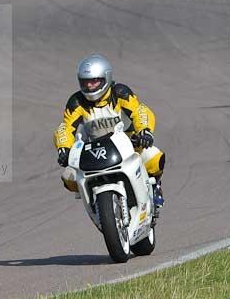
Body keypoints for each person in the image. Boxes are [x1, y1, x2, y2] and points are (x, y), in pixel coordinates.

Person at [54, 54, 166, 209]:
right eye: (86, 82)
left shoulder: (120, 93)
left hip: (129, 145)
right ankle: (95, 203)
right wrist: (64, 148)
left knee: (154, 158)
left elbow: (139, 111)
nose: (90, 86)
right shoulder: (77, 102)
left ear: (106, 78)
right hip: (95, 152)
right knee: (69, 178)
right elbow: (65, 128)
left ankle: (155, 187)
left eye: (95, 81)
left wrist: (145, 131)